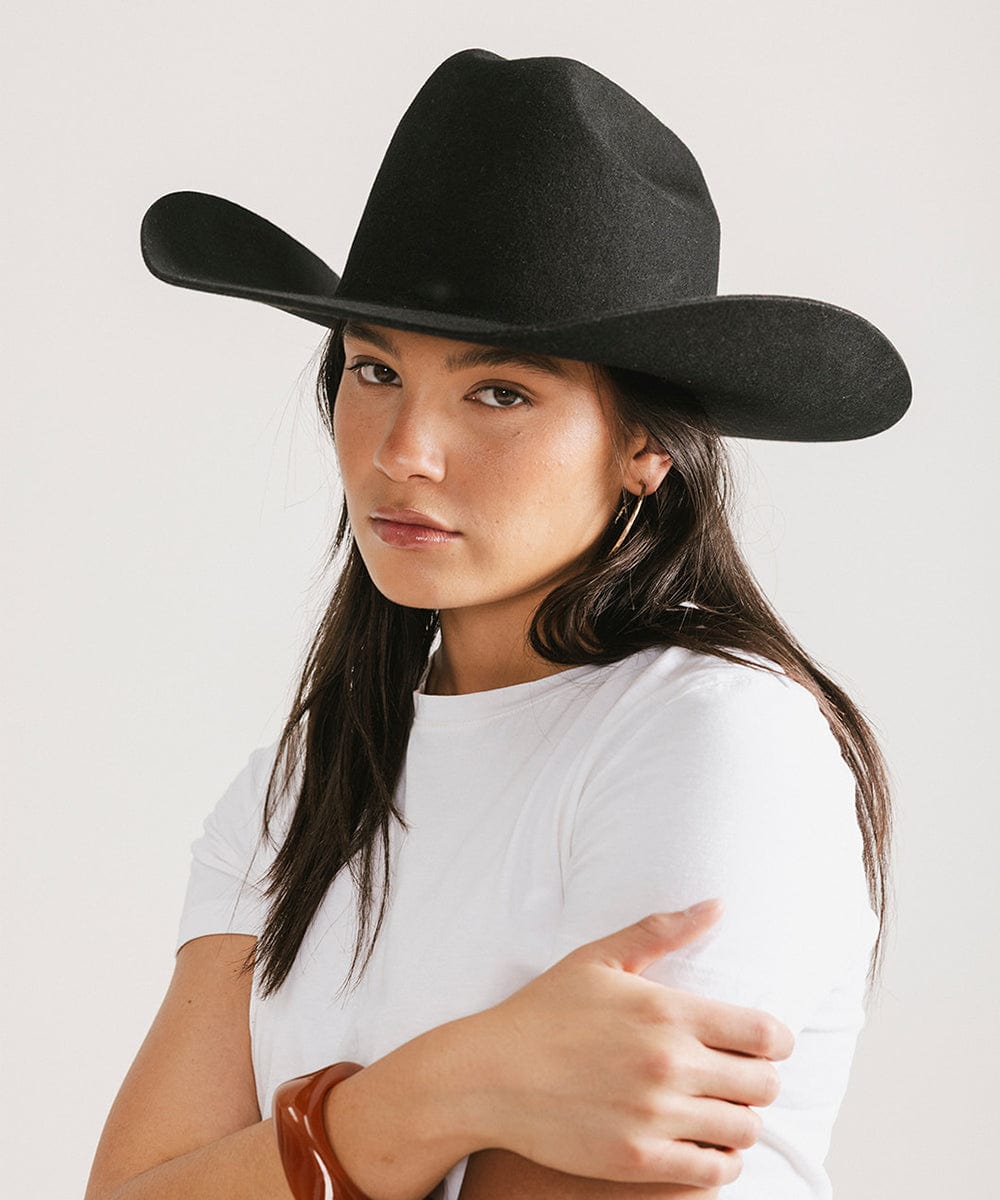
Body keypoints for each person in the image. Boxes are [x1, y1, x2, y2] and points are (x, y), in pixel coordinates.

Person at [85, 48, 911, 1200]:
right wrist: (448, 1088)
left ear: (644, 448)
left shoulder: (712, 739)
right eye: (374, 371)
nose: (402, 453)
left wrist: (284, 1153)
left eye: (500, 393)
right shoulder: (293, 788)